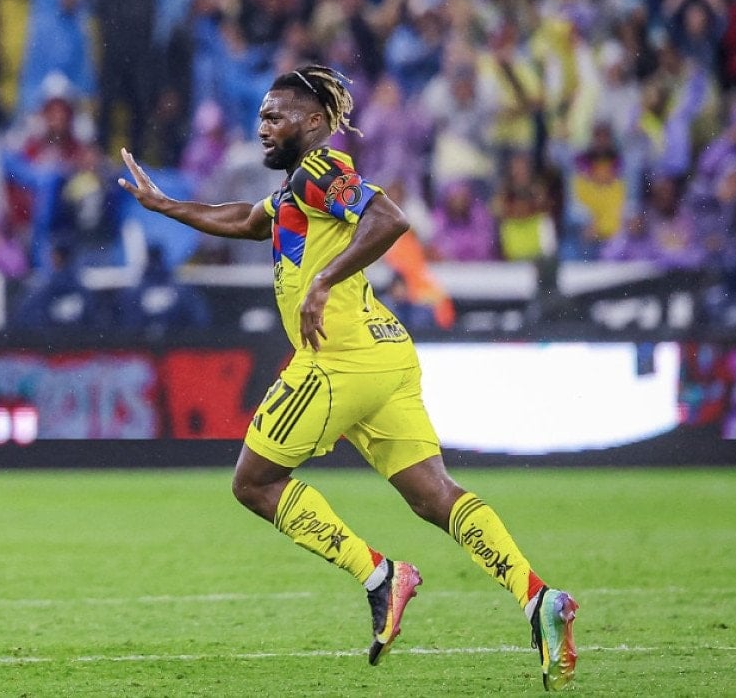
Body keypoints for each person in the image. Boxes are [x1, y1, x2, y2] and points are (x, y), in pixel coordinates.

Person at [118, 65, 579, 691]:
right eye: (260, 116)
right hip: (384, 353)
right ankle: (538, 596)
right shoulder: (295, 190)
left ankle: (381, 576)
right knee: (434, 495)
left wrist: (323, 281)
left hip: (338, 359)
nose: (263, 127)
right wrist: (165, 204)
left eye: (275, 116)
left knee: (254, 482)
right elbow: (246, 220)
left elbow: (388, 217)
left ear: (313, 122)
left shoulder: (319, 170)